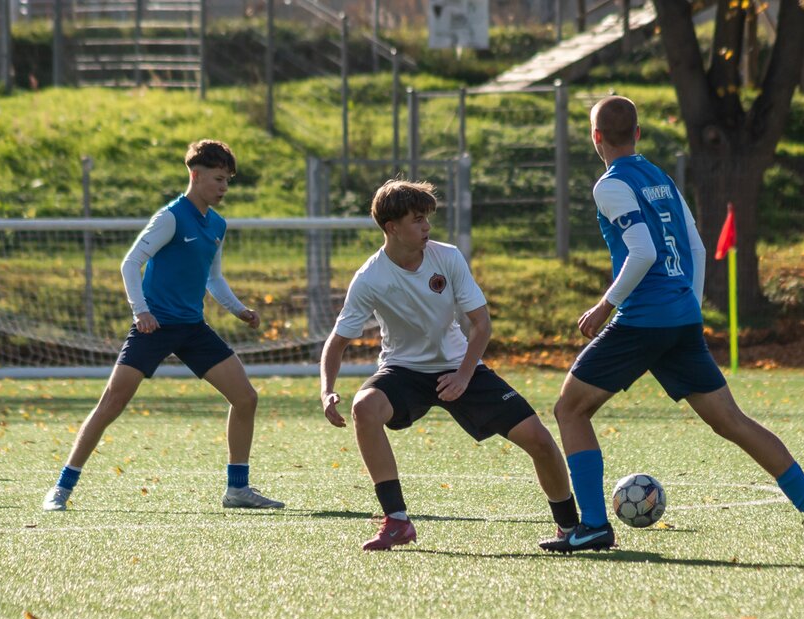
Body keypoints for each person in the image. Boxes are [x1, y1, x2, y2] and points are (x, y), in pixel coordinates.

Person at [538, 96, 804, 555]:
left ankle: (594, 526)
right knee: (731, 421)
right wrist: (690, 307)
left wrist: (605, 306)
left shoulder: (611, 184)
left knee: (570, 410)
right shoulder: (661, 177)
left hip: (642, 320)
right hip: (680, 317)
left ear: (596, 137)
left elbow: (643, 251)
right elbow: (696, 246)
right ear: (638, 134)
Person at [320, 179, 580, 551]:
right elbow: (337, 341)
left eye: (427, 218)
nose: (427, 227)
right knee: (365, 407)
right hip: (403, 370)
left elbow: (481, 324)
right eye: (417, 220)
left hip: (460, 365)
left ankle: (570, 527)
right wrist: (327, 390)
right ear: (392, 228)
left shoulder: (448, 257)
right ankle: (397, 521)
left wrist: (463, 375)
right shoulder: (369, 278)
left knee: (539, 439)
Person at [42, 139, 283, 512]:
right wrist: (140, 311)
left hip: (192, 328)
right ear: (195, 175)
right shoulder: (170, 217)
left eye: (228, 181)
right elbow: (130, 263)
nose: (224, 187)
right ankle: (61, 488)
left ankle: (237, 489)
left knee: (246, 398)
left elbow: (213, 278)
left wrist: (239, 310)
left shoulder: (217, 224)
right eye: (218, 179)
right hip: (153, 327)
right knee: (111, 403)